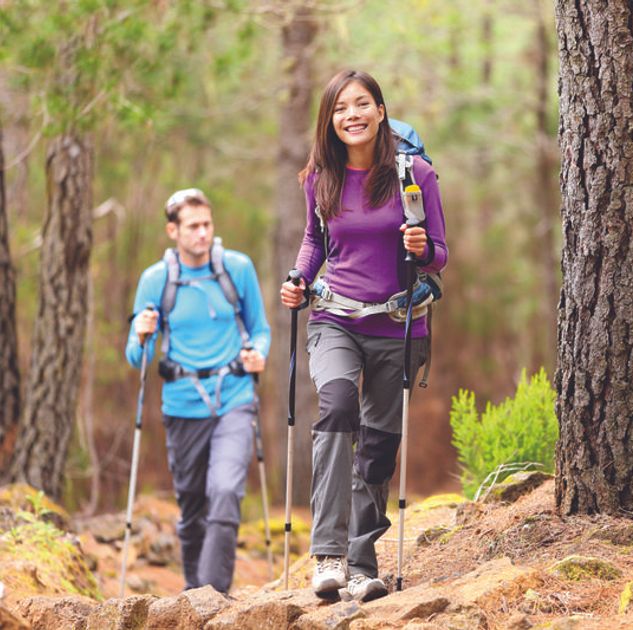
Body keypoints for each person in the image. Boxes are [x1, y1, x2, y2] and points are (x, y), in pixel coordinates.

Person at [280, 69, 448, 602]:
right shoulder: (320, 176)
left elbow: (440, 254)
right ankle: (327, 555)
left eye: (361, 104)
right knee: (335, 407)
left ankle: (360, 563)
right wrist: (299, 277)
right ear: (329, 120)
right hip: (335, 319)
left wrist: (422, 248)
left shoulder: (414, 174)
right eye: (339, 108)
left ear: (380, 111)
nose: (351, 115)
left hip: (399, 325)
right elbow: (315, 240)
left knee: (377, 443)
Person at [125, 188, 270, 594]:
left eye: (207, 224)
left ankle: (213, 594)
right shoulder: (156, 280)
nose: (203, 233)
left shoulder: (237, 268)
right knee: (191, 506)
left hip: (235, 397)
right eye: (193, 226)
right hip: (182, 404)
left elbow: (260, 329)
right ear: (173, 231)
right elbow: (137, 359)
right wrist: (142, 334)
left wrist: (258, 354)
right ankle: (194, 593)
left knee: (225, 491)